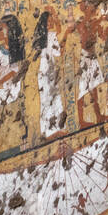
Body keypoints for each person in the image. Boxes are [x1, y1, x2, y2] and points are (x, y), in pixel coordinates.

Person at [33, 10, 68, 139]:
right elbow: (58, 53)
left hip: (43, 71)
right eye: (48, 22)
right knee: (52, 98)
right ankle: (54, 130)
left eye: (50, 21)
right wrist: (65, 36)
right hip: (48, 70)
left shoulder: (37, 37)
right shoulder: (51, 35)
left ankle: (48, 130)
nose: (50, 24)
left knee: (48, 99)